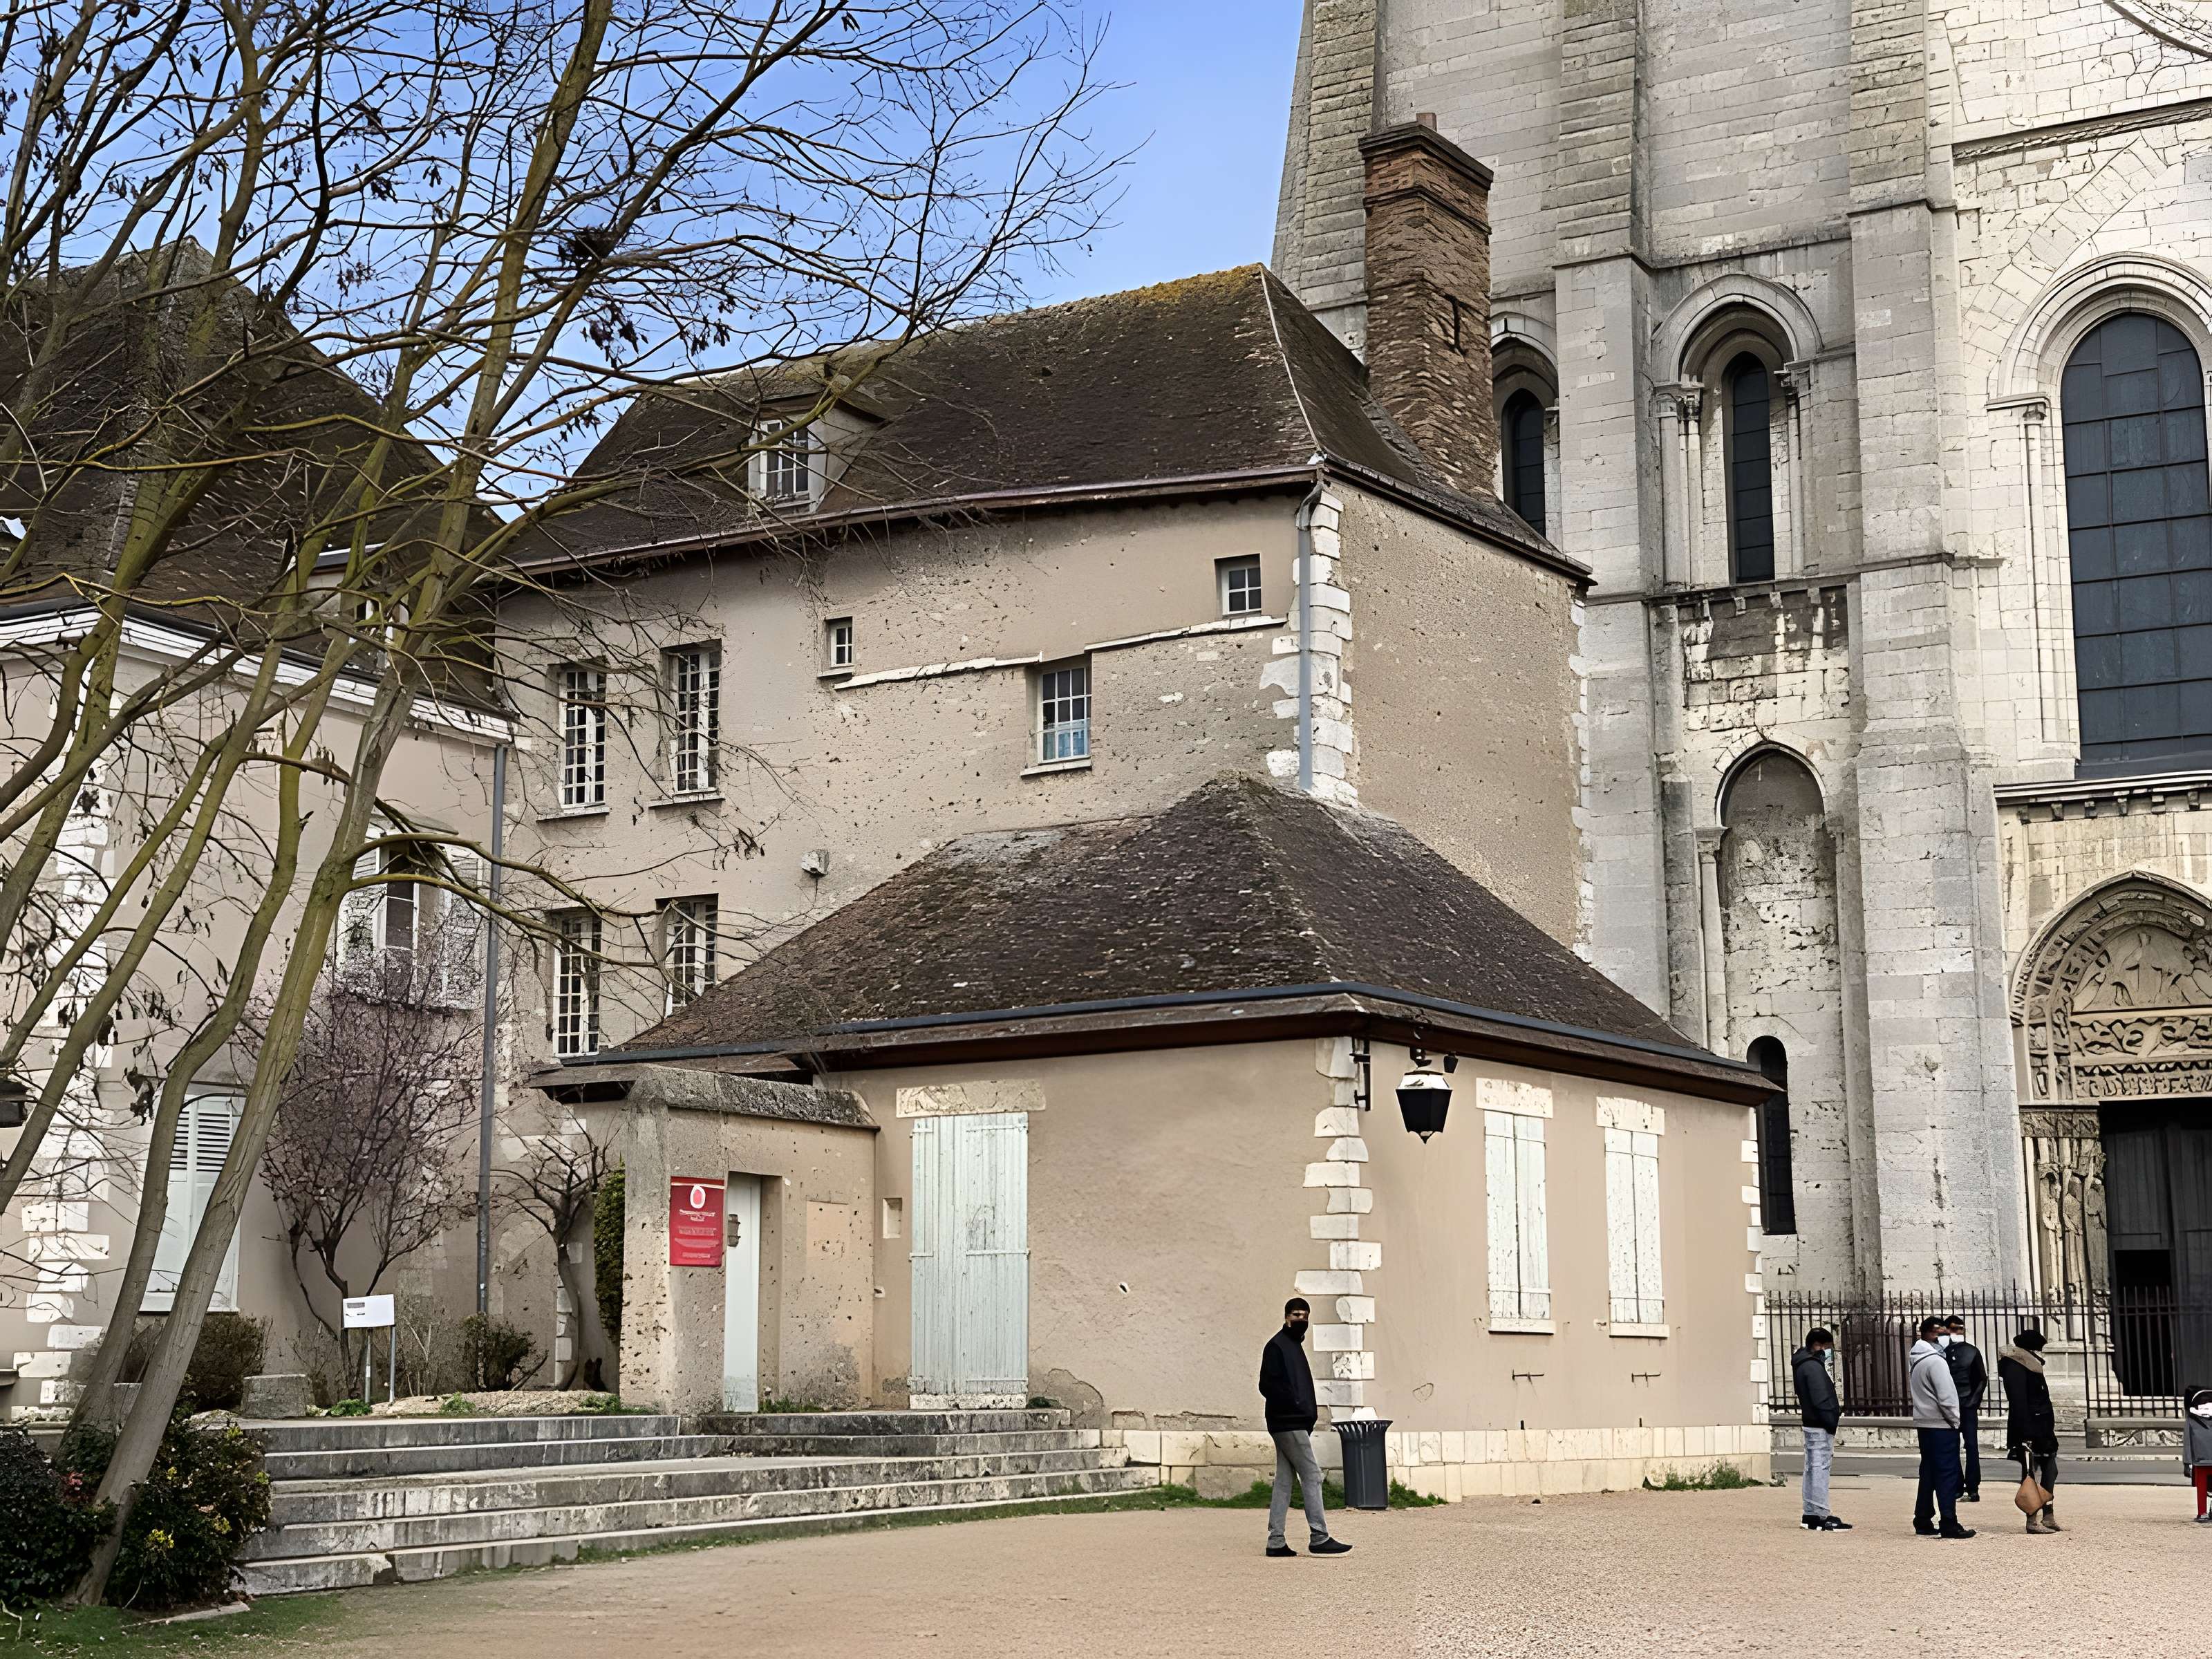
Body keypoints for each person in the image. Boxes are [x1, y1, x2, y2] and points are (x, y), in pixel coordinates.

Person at [1258, 1297, 1351, 1558]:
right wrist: (1296, 1406)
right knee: (1311, 1474)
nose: (1302, 1321)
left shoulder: (1292, 1346)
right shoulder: (1277, 1346)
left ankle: (1276, 1541)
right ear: (1287, 1316)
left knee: (1285, 1481)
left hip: (1291, 1422)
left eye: (1305, 1316)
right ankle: (1319, 1537)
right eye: (1297, 1315)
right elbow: (1267, 1386)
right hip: (1288, 1422)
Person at [1908, 1315, 1974, 1539]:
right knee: (1947, 1473)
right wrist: (1955, 1421)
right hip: (1941, 1425)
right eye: (1940, 1333)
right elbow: (1947, 1397)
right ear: (1928, 1335)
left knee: (1928, 1472)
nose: (1945, 1337)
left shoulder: (1917, 1361)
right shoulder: (1936, 1362)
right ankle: (1949, 1521)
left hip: (1924, 1423)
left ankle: (1923, 1518)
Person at [1999, 1327, 2061, 1535]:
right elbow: (2018, 1401)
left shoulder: (2031, 1365)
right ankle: (2032, 1519)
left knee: (2051, 1469)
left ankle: (2048, 1514)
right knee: (2029, 1475)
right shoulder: (2016, 1366)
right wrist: (2025, 1433)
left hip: (2042, 1426)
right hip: (2028, 1427)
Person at [1790, 1327, 1850, 1530]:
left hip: (1811, 1422)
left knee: (1812, 1467)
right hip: (1819, 1423)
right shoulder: (1813, 1367)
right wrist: (1831, 1419)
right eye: (1826, 1347)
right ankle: (1820, 1515)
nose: (1828, 1351)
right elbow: (1821, 1398)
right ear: (1819, 1345)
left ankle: (1811, 1512)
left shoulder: (1801, 1364)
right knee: (1819, 1468)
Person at [1942, 1315, 1989, 1503]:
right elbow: (1982, 1379)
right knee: (1967, 1447)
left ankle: (1964, 1486)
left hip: (1957, 1404)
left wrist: (1970, 1403)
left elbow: (1981, 1379)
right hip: (1962, 1404)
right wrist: (1972, 1403)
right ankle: (1969, 1487)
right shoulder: (1970, 1351)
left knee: (1959, 1447)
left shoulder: (1948, 1352)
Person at [2187, 1386, 2212, 1524]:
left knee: (2202, 1486)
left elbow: (2187, 1442)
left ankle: (2202, 1512)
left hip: (2200, 1458)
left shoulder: (2192, 1418)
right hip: (2201, 1458)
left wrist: (2187, 1461)